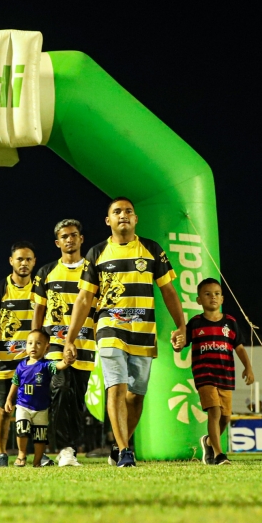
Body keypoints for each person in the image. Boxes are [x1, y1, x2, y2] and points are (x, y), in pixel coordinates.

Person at [63, 196, 187, 468]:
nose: (123, 215)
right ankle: (125, 451)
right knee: (116, 387)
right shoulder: (96, 253)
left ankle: (119, 445)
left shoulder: (152, 249)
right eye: (117, 211)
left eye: (128, 211)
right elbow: (84, 299)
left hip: (143, 331)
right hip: (110, 327)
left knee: (136, 394)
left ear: (135, 219)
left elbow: (168, 291)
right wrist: (70, 339)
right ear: (108, 220)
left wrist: (181, 325)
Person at [32, 218, 94, 467]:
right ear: (57, 242)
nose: (70, 239)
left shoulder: (93, 270)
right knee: (61, 387)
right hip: (55, 343)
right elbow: (39, 310)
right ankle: (64, 447)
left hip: (85, 343)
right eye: (64, 236)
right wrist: (35, 342)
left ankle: (70, 449)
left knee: (77, 399)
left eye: (74, 235)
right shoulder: (46, 272)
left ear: (81, 239)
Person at [180, 278, 255, 465]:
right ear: (199, 300)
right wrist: (176, 343)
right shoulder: (195, 323)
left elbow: (239, 348)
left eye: (216, 294)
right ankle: (219, 454)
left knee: (225, 417)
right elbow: (181, 343)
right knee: (214, 411)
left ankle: (208, 442)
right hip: (204, 374)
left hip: (225, 375)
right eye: (207, 294)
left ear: (222, 299)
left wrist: (248, 367)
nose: (212, 297)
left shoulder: (230, 322)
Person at [0, 240, 36, 467]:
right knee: (4, 409)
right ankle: (1, 453)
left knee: (35, 408)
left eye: (28, 259)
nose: (24, 263)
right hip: (4, 361)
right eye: (20, 259)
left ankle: (36, 454)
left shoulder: (40, 289)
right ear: (11, 261)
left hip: (32, 362)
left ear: (34, 262)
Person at [3, 329, 70, 467]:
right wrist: (9, 399)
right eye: (30, 343)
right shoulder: (21, 366)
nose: (33, 346)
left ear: (47, 347)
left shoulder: (46, 365)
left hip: (41, 408)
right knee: (22, 429)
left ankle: (37, 461)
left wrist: (66, 362)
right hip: (23, 405)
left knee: (40, 436)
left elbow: (58, 365)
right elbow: (15, 383)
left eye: (38, 343)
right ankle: (21, 455)